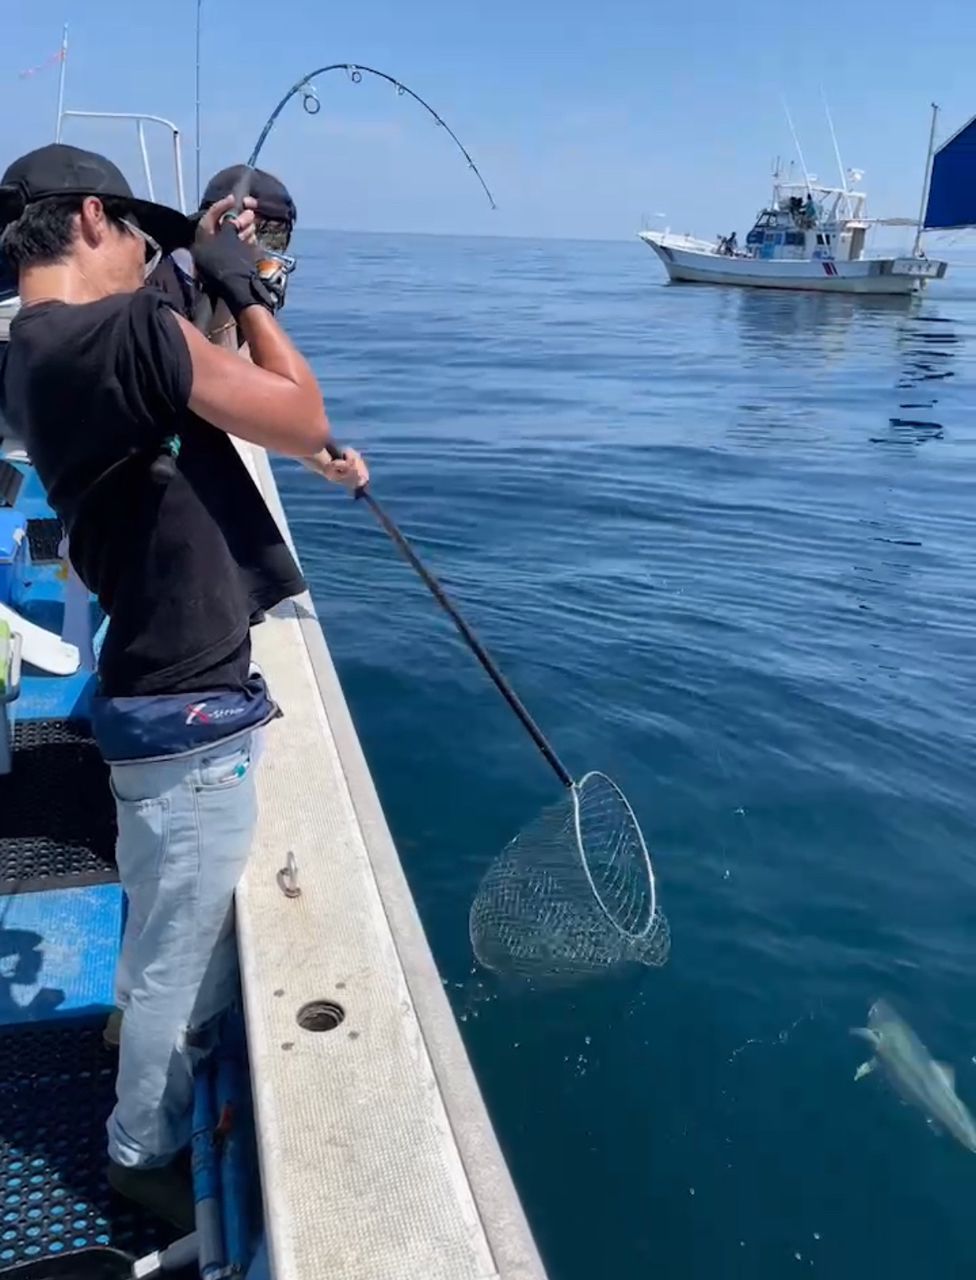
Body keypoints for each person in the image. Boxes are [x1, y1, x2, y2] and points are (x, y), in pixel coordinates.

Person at [0, 142, 366, 1225]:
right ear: (94, 219)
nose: (158, 261)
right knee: (176, 949)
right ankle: (134, 1146)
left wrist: (203, 269)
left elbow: (188, 402)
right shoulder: (123, 332)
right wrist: (249, 296)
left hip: (149, 689)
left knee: (161, 905)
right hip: (189, 704)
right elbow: (297, 413)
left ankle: (132, 1048)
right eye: (145, 242)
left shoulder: (32, 350)